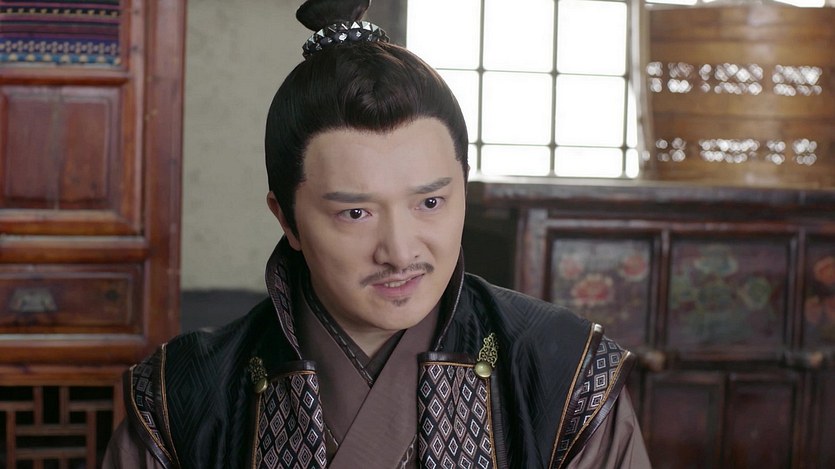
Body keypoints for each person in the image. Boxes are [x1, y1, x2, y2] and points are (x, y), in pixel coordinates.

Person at [104, 0, 652, 467]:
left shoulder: (564, 374)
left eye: (430, 203)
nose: (400, 251)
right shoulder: (180, 396)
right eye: (356, 213)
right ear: (286, 219)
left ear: (463, 191)